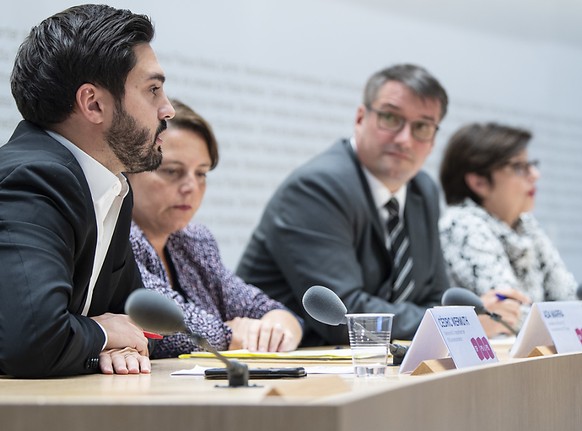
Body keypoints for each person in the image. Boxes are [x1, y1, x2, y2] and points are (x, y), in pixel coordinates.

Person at [0, 4, 175, 378]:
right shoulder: (32, 179)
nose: (168, 109)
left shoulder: (111, 187)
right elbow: (32, 342)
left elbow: (143, 326)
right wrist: (101, 334)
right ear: (93, 103)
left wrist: (119, 340)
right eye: (153, 90)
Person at [236, 64, 450, 346]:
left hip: (369, 363)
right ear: (360, 117)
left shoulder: (423, 190)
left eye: (421, 126)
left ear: (433, 138)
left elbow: (437, 295)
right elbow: (344, 318)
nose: (404, 139)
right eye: (390, 117)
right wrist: (445, 322)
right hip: (290, 367)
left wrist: (443, 318)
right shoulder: (317, 187)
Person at [128, 99, 303, 358]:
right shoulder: (118, 238)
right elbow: (165, 331)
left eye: (201, 173)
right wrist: (230, 334)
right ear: (128, 171)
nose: (191, 187)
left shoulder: (194, 241)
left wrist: (274, 331)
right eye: (173, 171)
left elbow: (269, 310)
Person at [439, 122, 578, 336]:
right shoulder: (461, 224)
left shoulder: (526, 224)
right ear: (479, 182)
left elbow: (569, 298)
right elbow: (512, 316)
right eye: (519, 167)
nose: (534, 174)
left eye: (531, 164)